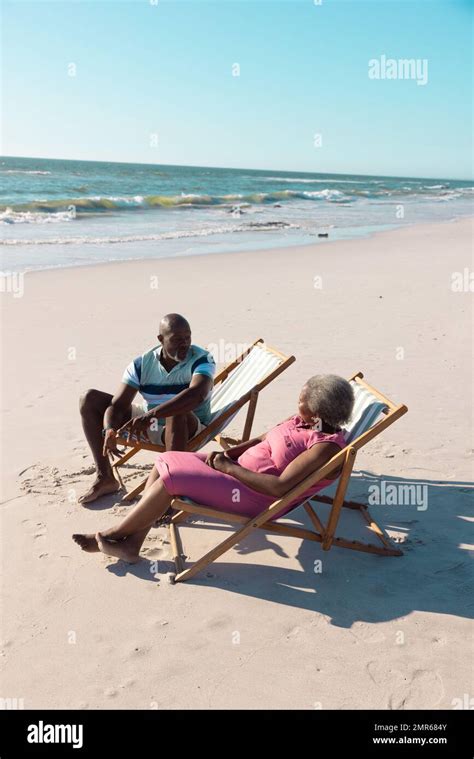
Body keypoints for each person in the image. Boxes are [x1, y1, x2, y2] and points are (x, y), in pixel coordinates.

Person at [73, 374, 354, 562]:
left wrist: (228, 467)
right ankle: (133, 541)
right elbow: (261, 438)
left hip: (255, 495)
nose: (298, 404)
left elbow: (280, 487)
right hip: (235, 472)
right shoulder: (301, 420)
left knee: (173, 477)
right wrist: (228, 455)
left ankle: (113, 534)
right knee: (164, 460)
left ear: (317, 412)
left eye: (302, 401)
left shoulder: (325, 446)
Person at [78, 313, 215, 504]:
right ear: (161, 340)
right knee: (89, 398)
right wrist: (109, 429)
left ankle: (169, 491)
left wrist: (152, 414)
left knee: (177, 411)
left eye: (188, 337)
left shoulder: (202, 359)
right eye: (176, 339)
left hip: (189, 425)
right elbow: (117, 406)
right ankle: (105, 477)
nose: (185, 344)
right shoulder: (142, 364)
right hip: (148, 422)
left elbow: (197, 394)